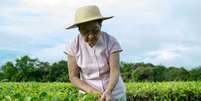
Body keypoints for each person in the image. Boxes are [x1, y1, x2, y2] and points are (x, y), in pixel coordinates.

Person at [64, 5, 126, 101]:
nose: (91, 36)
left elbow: (115, 71)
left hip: (115, 93)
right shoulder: (72, 46)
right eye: (85, 32)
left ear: (100, 24)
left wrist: (108, 91)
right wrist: (93, 92)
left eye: (95, 30)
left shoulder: (111, 42)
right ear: (79, 29)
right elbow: (73, 77)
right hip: (88, 95)